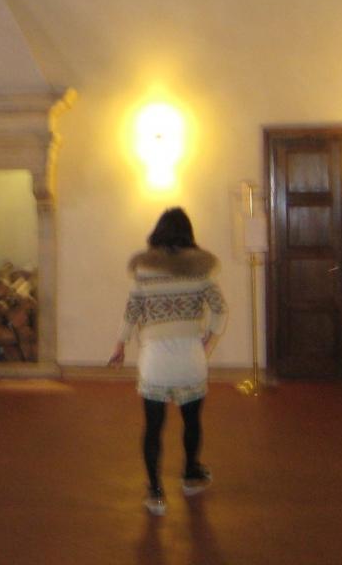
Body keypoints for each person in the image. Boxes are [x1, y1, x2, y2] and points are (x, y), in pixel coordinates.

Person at [109, 207, 228, 515]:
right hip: (191, 358)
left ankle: (156, 493)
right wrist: (209, 343)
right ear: (188, 234)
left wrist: (120, 345)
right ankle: (190, 475)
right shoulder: (200, 270)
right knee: (192, 421)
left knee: (153, 427)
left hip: (155, 360)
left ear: (158, 232)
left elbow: (132, 310)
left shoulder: (144, 270)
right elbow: (220, 309)